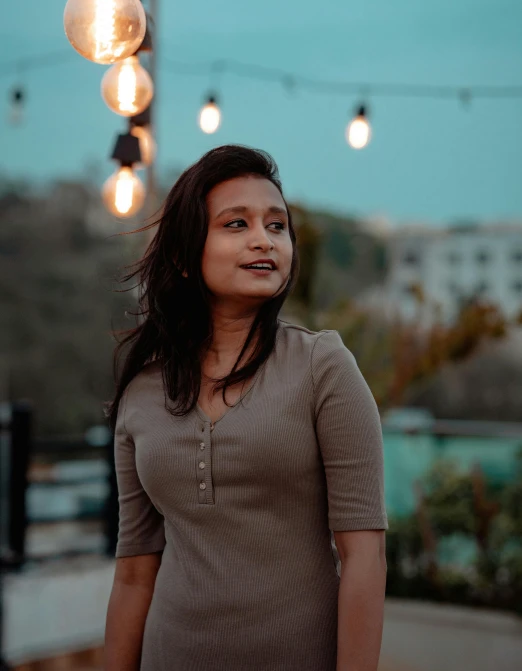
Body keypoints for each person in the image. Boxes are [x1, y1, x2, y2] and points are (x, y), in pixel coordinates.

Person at [103, 144, 388, 671]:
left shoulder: (323, 366)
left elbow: (364, 557)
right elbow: (134, 573)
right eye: (237, 224)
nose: (264, 239)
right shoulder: (142, 393)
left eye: (277, 226)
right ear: (183, 257)